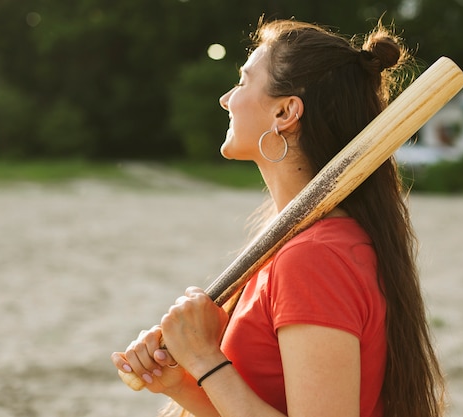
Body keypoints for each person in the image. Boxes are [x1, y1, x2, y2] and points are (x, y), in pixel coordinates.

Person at [111, 18, 446, 417]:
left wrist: (205, 360)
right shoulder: (300, 245)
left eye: (242, 81)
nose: (226, 99)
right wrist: (184, 384)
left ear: (285, 111)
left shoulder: (315, 258)